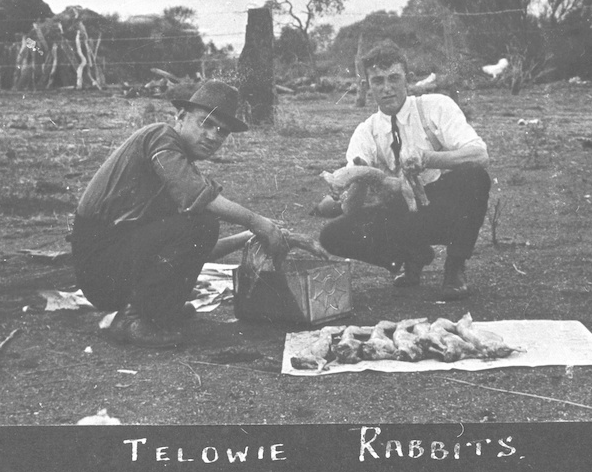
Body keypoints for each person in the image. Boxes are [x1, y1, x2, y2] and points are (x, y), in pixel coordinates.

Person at [70, 80, 288, 346]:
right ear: (181, 117)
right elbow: (197, 201)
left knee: (199, 227)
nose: (212, 136)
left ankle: (157, 311)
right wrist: (256, 222)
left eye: (221, 131)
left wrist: (247, 236)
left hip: (112, 267)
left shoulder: (183, 168)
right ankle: (134, 317)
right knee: (201, 223)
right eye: (204, 124)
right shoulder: (160, 136)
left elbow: (194, 249)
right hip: (99, 262)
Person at [319, 41, 491, 301]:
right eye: (378, 81)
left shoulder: (435, 106)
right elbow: (351, 209)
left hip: (440, 207)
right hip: (398, 211)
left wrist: (427, 158)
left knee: (475, 177)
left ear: (407, 80)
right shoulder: (366, 132)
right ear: (367, 85)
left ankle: (455, 265)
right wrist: (357, 178)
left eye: (394, 78)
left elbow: (480, 154)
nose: (387, 88)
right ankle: (409, 256)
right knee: (332, 235)